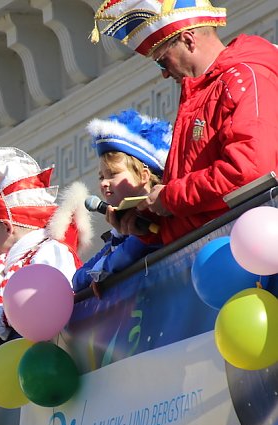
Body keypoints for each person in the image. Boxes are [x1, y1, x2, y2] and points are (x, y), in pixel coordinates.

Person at [91, 0, 278, 244]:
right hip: (225, 253)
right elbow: (199, 205)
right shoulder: (200, 96)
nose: (164, 73)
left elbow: (249, 171)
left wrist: (169, 198)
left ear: (189, 40)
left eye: (162, 61)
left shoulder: (243, 78)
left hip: (250, 251)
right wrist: (148, 224)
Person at [0, 147, 92, 354]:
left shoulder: (49, 250)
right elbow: (4, 308)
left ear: (7, 227)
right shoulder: (9, 265)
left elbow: (48, 298)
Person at [73, 109, 170, 291]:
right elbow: (78, 279)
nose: (104, 183)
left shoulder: (159, 215)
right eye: (101, 177)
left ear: (143, 175)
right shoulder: (121, 228)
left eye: (113, 174)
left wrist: (103, 270)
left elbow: (134, 248)